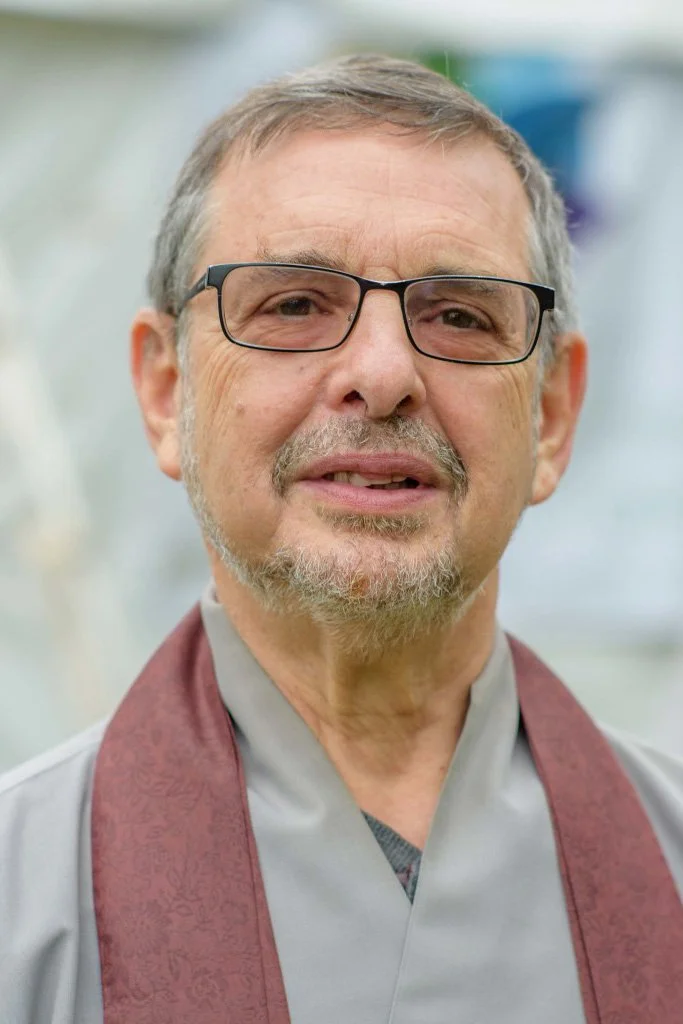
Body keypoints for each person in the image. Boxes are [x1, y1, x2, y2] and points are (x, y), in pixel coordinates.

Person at [1, 53, 681, 1024]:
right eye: (293, 305)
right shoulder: (21, 902)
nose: (381, 373)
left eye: (456, 315)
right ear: (165, 390)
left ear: (551, 416)